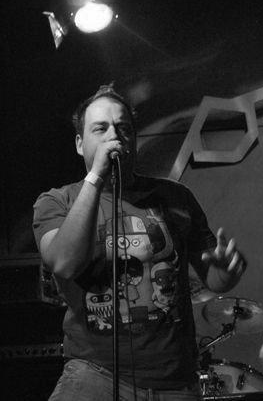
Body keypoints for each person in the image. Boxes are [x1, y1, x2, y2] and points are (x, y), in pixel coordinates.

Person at [32, 84, 246, 400]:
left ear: (134, 139)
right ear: (80, 143)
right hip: (95, 375)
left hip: (174, 381)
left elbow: (213, 280)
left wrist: (226, 270)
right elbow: (64, 263)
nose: (114, 136)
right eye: (100, 129)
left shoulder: (176, 197)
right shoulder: (56, 202)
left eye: (123, 128)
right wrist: (96, 178)